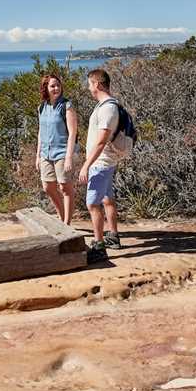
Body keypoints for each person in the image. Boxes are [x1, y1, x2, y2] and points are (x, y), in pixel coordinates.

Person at [78, 68, 123, 263]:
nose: (89, 88)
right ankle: (113, 236)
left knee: (92, 204)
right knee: (107, 199)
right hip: (106, 162)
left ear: (97, 84)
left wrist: (86, 165)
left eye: (90, 84)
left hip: (101, 163)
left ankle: (99, 246)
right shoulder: (108, 105)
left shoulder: (107, 108)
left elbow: (102, 140)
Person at [36, 74, 78, 224]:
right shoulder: (42, 107)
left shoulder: (67, 106)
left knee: (65, 188)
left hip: (62, 151)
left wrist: (68, 157)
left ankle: (66, 223)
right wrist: (38, 155)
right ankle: (62, 216)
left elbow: (73, 132)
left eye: (58, 85)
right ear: (46, 88)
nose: (56, 88)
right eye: (52, 86)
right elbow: (41, 132)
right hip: (46, 153)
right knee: (48, 187)